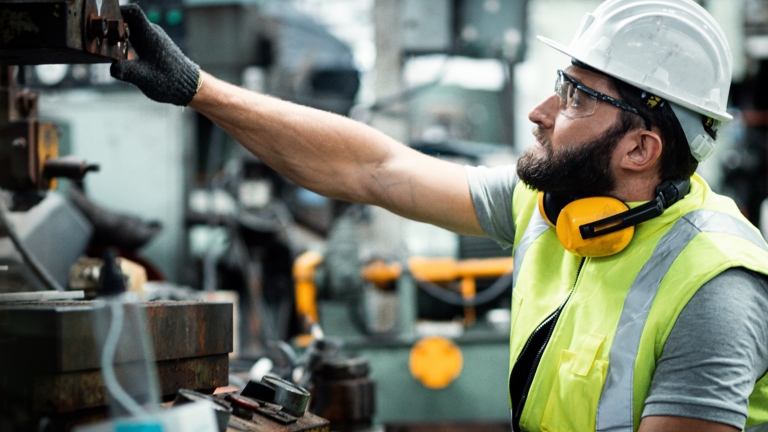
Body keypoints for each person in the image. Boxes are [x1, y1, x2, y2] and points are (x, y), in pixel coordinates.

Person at [110, 0, 768, 430]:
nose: (540, 113)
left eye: (573, 98)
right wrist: (199, 90)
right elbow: (374, 169)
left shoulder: (713, 289)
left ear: (639, 148)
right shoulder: (551, 211)